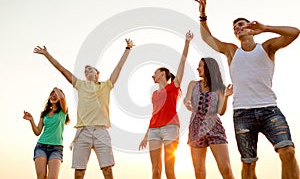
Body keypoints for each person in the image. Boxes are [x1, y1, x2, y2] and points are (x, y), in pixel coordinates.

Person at [195, 0, 300, 179]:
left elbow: (295, 32)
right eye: (235, 28)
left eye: (241, 25)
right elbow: (207, 38)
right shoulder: (231, 51)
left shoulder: (266, 47)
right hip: (243, 113)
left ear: (251, 28)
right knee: (248, 164)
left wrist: (265, 28)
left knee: (288, 152)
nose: (237, 29)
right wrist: (203, 16)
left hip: (269, 110)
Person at [33, 39, 135, 179]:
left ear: (97, 72)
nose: (87, 71)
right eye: (85, 71)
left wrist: (127, 49)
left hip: (101, 131)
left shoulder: (106, 85)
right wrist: (47, 54)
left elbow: (118, 68)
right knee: (79, 173)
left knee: (107, 170)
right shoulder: (80, 85)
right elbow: (62, 70)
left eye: (90, 69)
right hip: (82, 132)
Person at [139, 30, 193, 179]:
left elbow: (182, 61)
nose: (153, 76)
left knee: (169, 170)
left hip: (170, 128)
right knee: (156, 170)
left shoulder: (173, 87)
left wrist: (187, 42)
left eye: (154, 73)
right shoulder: (154, 94)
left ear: (163, 73)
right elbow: (154, 115)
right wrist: (145, 136)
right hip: (154, 130)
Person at [183, 57, 235, 179]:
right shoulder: (193, 84)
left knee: (226, 169)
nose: (197, 68)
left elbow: (220, 111)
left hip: (214, 128)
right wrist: (188, 103)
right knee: (199, 173)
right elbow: (187, 99)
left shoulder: (219, 88)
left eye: (200, 66)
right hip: (196, 129)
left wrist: (226, 96)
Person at [23, 87, 70, 179]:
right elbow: (37, 132)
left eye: (56, 94)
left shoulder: (63, 111)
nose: (53, 95)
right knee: (41, 177)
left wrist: (56, 89)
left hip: (56, 149)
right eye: (52, 94)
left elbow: (62, 98)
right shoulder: (44, 113)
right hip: (41, 146)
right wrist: (31, 120)